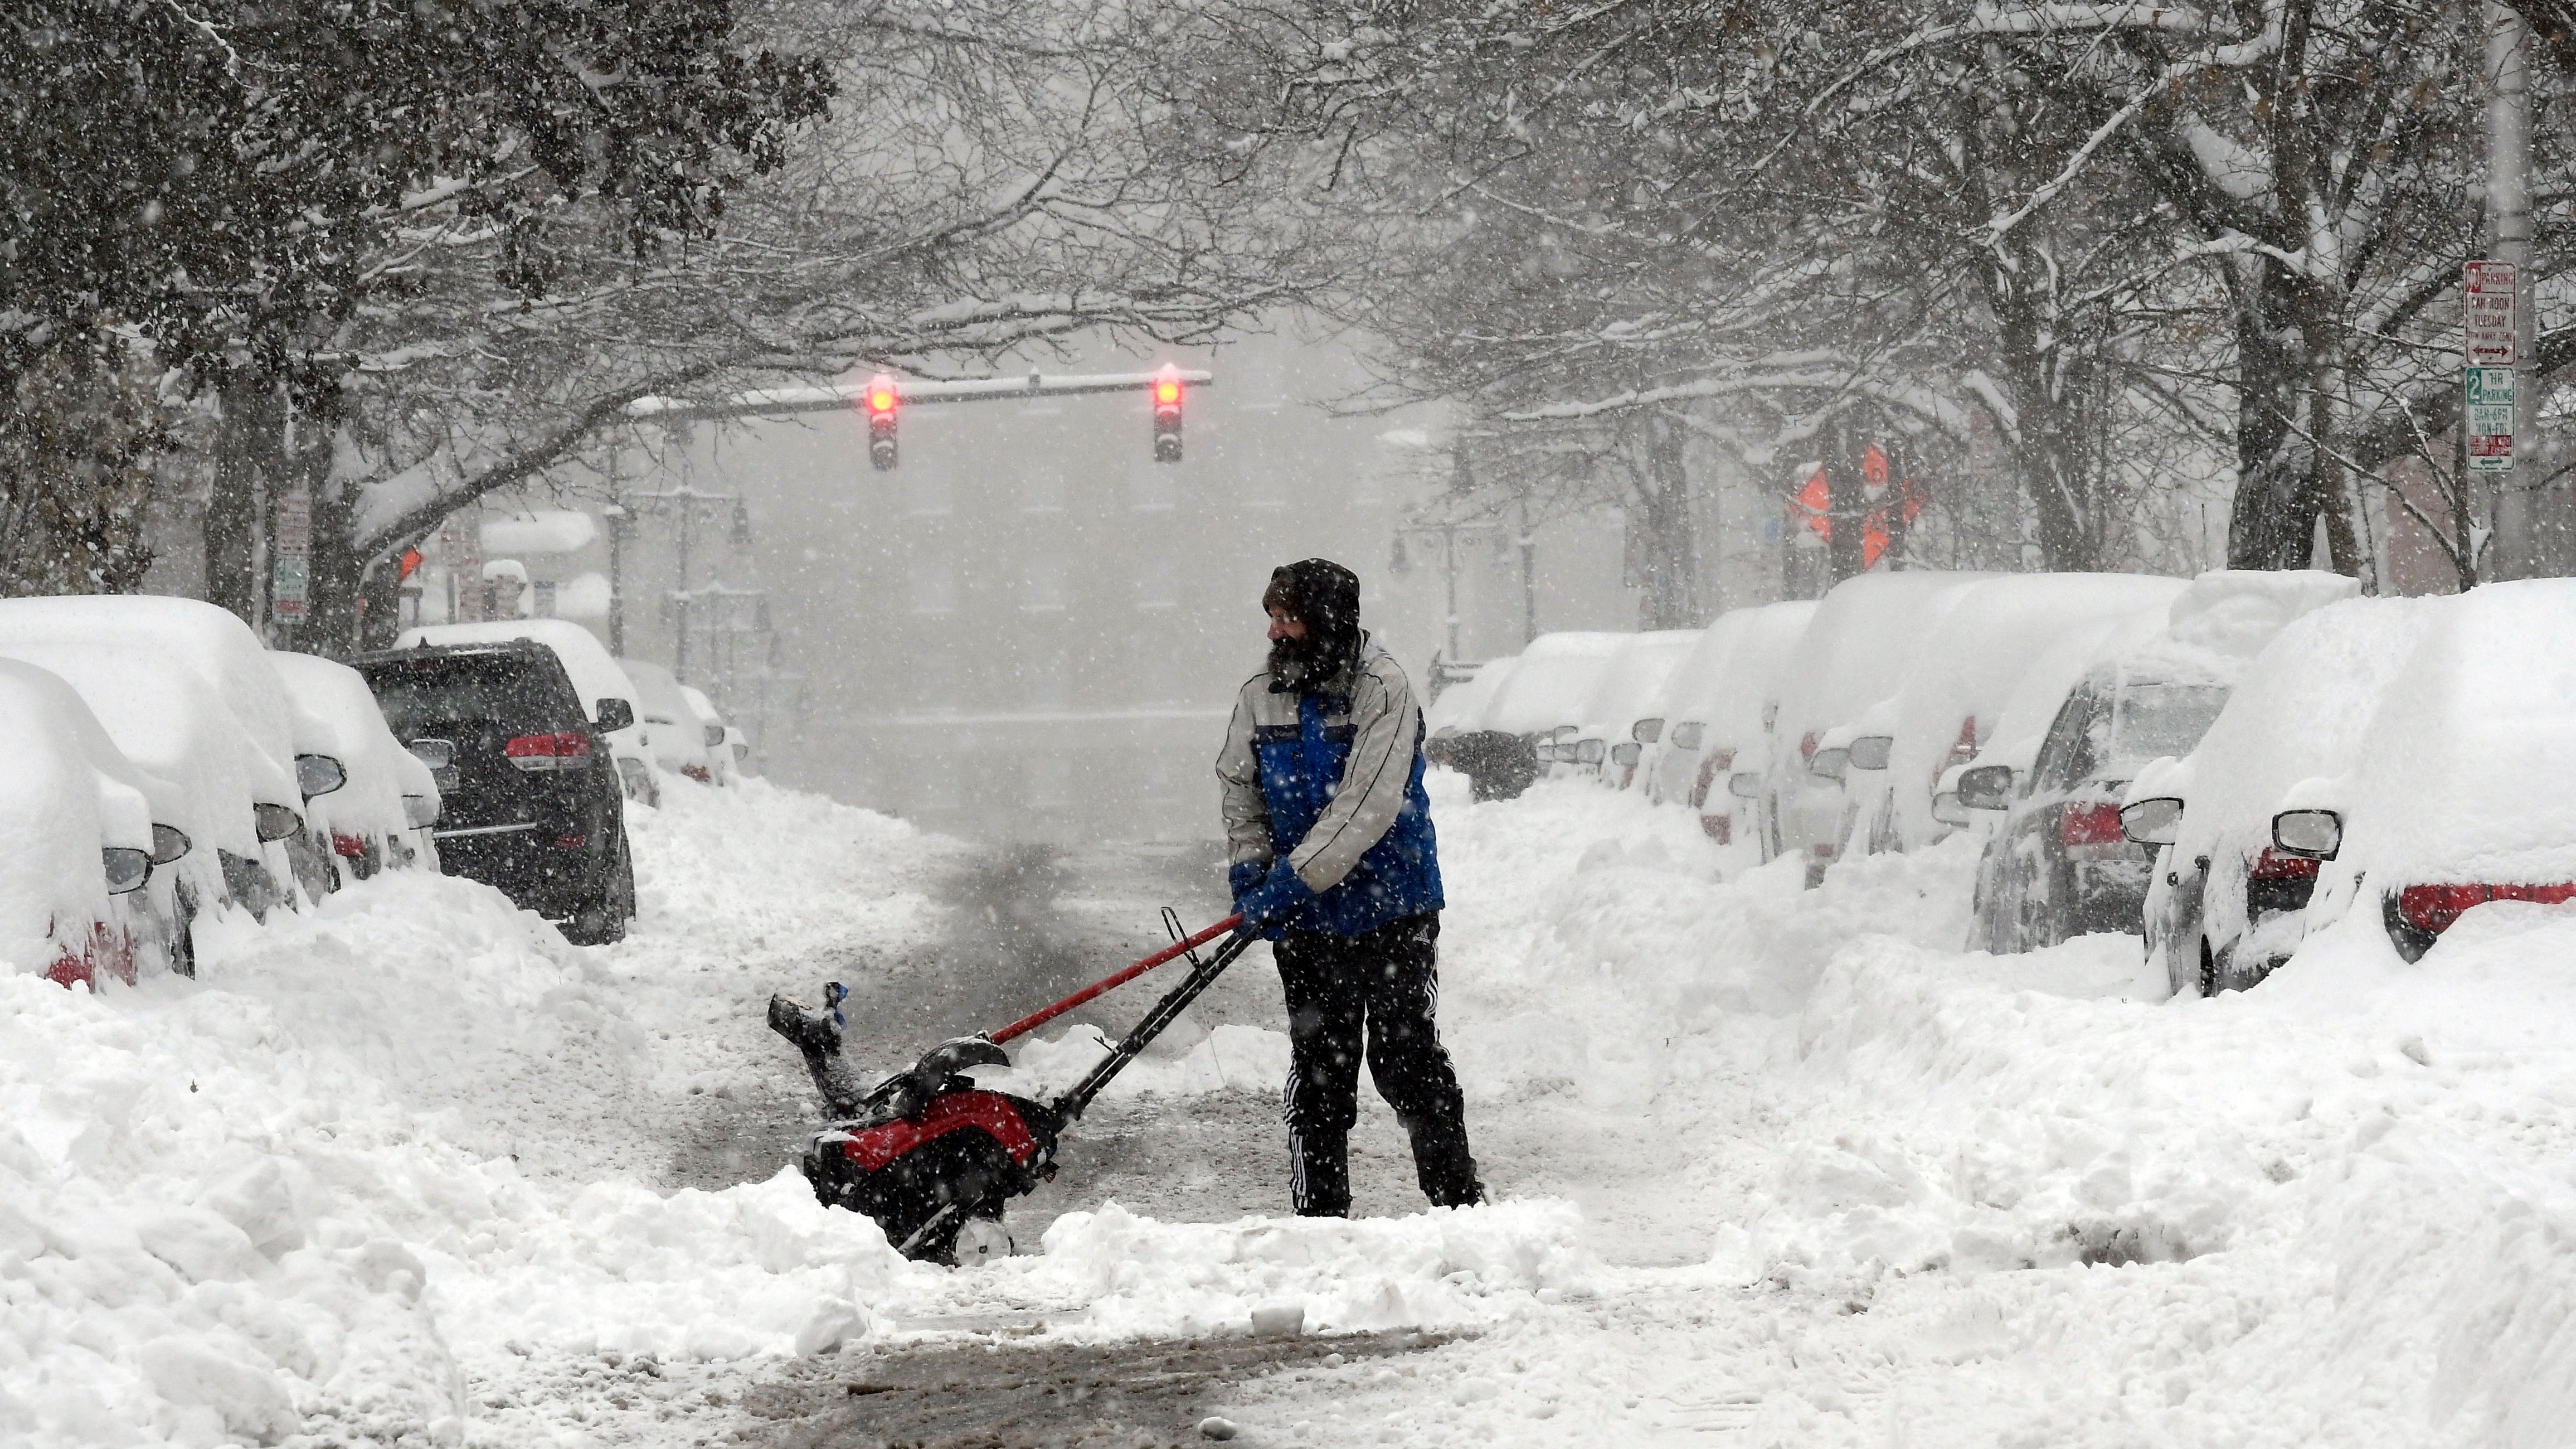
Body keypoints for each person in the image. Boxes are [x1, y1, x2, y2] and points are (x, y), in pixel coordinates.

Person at [1214, 558, 1482, 1216]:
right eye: (1271, 618)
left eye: (1289, 618)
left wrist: (1287, 883)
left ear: (1328, 623)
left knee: (1406, 1056)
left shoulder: (1382, 689)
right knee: (1319, 1067)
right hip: (1307, 920)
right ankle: (1319, 1216)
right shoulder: (1260, 693)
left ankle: (1458, 1207)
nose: (1275, 633)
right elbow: (1237, 785)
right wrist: (1250, 867)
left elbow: (1365, 805)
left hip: (1393, 907)